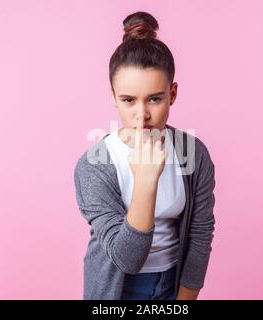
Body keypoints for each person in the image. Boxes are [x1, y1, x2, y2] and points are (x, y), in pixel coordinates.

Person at [74, 11, 216, 300]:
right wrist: (146, 180)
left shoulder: (193, 154)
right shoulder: (93, 166)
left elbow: (200, 236)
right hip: (115, 291)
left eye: (155, 98)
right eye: (128, 100)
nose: (142, 115)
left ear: (172, 94)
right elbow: (127, 259)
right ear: (113, 97)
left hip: (173, 285)